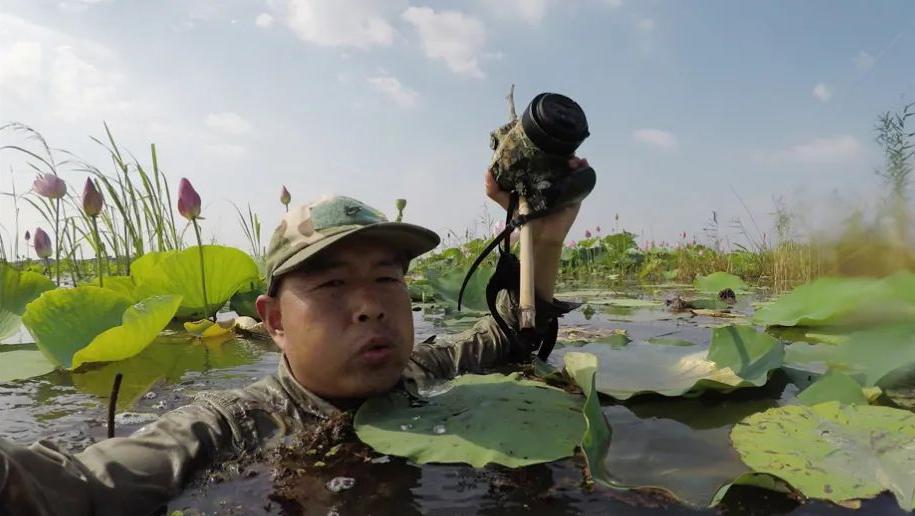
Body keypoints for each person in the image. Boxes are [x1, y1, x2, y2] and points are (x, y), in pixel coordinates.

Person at [0, 159, 589, 516]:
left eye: (387, 278)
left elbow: (515, 333)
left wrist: (543, 232)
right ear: (274, 321)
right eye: (332, 284)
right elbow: (75, 488)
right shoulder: (228, 427)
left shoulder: (425, 373)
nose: (369, 308)